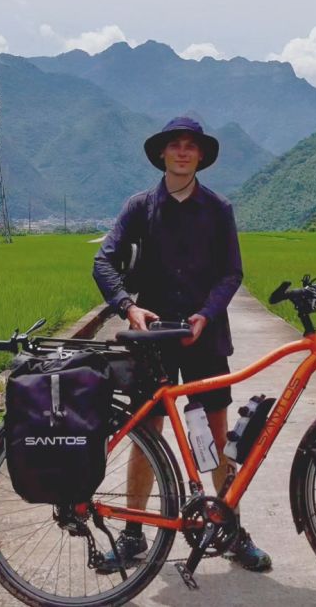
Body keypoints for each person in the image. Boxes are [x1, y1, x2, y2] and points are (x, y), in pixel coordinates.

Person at [92, 116, 272, 573]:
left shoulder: (218, 209)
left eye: (191, 146)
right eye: (175, 145)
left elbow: (231, 272)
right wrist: (128, 308)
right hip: (152, 340)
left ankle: (229, 528)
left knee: (215, 433)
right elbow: (104, 261)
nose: (183, 152)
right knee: (146, 433)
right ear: (162, 155)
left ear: (201, 157)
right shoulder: (139, 207)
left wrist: (205, 315)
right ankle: (134, 534)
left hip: (203, 337)